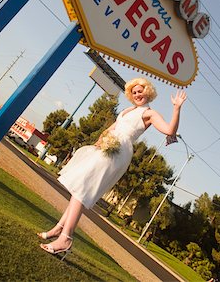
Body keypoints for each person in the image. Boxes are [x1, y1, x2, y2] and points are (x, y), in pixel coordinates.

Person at [38, 77, 187, 258]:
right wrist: (100, 140)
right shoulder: (126, 110)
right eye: (134, 92)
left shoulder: (149, 114)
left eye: (140, 91)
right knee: (80, 186)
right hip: (105, 147)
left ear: (148, 92)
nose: (137, 94)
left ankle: (66, 238)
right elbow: (111, 128)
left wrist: (177, 108)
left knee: (82, 188)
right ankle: (58, 230)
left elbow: (170, 130)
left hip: (119, 152)